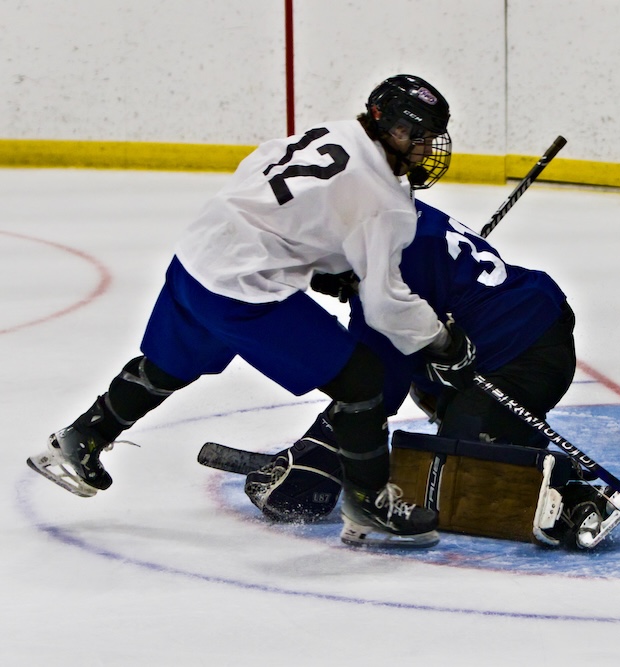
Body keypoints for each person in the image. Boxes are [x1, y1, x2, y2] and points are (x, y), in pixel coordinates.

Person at [27, 74, 477, 550]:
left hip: (199, 257)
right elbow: (387, 307)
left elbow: (265, 180)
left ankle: (82, 437)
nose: (427, 149)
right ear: (394, 130)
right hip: (244, 289)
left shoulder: (333, 133)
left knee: (171, 364)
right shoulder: (385, 200)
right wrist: (443, 341)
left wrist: (317, 265)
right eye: (420, 136)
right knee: (362, 379)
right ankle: (369, 503)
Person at [247, 200, 620, 548]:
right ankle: (507, 439)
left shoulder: (385, 274)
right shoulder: (380, 214)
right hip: (497, 338)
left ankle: (572, 500)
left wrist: (319, 457)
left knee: (453, 485)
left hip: (525, 351)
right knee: (432, 406)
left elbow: (372, 389)